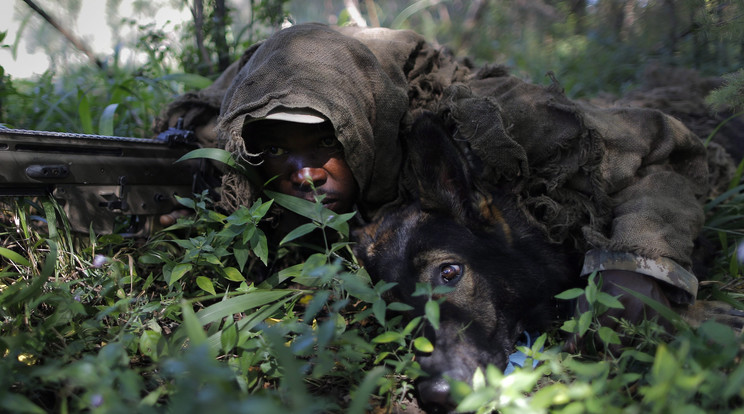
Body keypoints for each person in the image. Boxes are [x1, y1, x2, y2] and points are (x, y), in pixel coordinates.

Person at [156, 23, 732, 343]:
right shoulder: (237, 148)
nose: (302, 172)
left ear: (360, 133)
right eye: (277, 151)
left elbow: (664, 146)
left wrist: (637, 265)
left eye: (326, 143)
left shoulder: (485, 122)